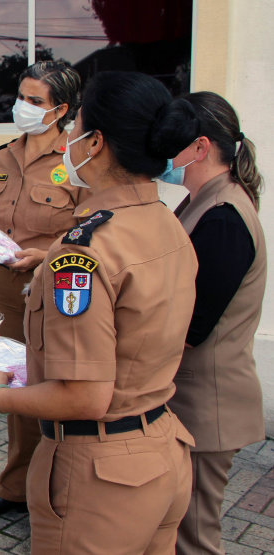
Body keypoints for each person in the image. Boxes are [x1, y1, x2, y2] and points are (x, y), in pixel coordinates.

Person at [0, 71, 200, 553]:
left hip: (100, 475)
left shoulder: (82, 253)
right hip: (164, 451)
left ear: (95, 142)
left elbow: (84, 397)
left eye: (75, 123)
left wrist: (0, 394)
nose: (70, 137)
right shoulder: (168, 222)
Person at [0, 61, 86, 517]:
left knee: (53, 388)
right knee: (14, 385)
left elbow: (95, 227)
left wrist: (48, 255)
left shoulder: (78, 159)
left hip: (55, 285)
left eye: (35, 101)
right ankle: (16, 488)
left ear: (60, 110)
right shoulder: (3, 155)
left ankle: (59, 493)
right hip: (3, 287)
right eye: (22, 97)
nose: (23, 106)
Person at [162, 92, 267, 555]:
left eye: (170, 139)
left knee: (195, 537)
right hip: (189, 398)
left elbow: (195, 322)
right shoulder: (200, 200)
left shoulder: (224, 216)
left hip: (208, 406)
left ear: (200, 147)